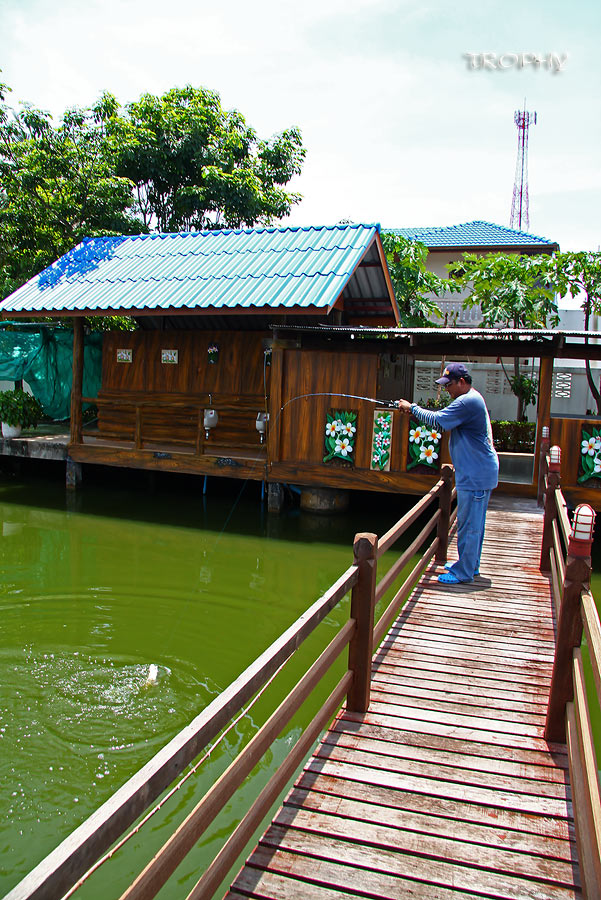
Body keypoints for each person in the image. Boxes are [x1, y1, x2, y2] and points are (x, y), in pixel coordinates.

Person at [397, 362, 499, 584]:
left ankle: (464, 573)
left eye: (449, 385)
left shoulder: (467, 401)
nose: (447, 390)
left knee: (469, 526)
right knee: (473, 525)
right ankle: (470, 566)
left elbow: (439, 421)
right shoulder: (470, 399)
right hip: (477, 473)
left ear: (462, 382)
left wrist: (412, 408)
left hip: (475, 475)